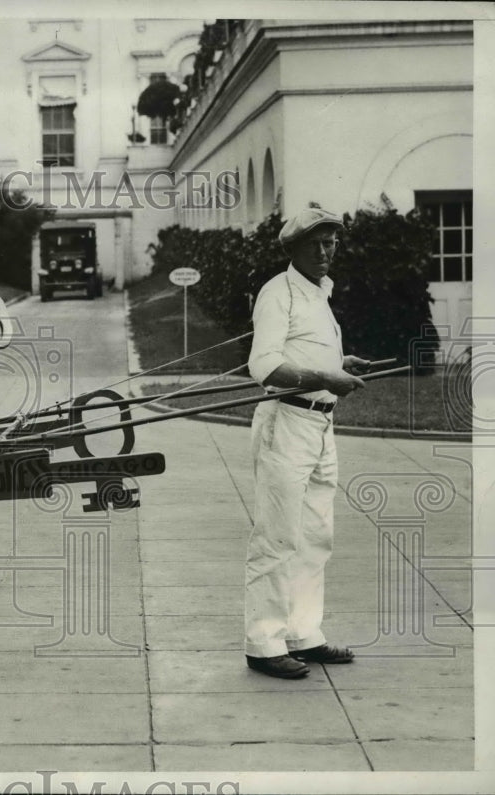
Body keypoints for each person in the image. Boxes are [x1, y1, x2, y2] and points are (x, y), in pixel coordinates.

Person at [244, 206, 371, 679]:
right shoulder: (278, 294)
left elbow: (310, 351)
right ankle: (263, 642)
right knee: (277, 537)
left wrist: (341, 363)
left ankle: (304, 634)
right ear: (293, 248)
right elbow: (266, 367)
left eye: (332, 241)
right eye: (316, 243)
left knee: (316, 535)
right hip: (287, 423)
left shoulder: (320, 292)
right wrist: (322, 376)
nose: (326, 250)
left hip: (321, 425)